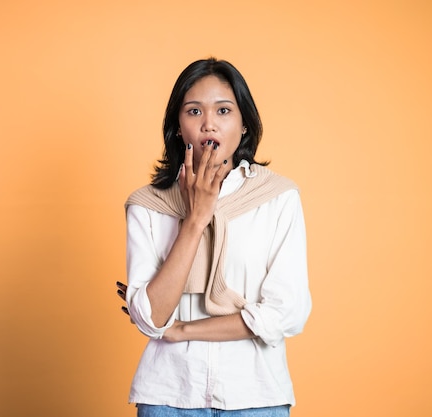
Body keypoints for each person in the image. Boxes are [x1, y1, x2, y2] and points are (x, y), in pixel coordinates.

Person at [116, 57, 311, 417]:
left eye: (223, 110)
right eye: (193, 111)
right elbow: (151, 319)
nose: (209, 124)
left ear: (244, 126)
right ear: (178, 127)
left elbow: (288, 312)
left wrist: (183, 330)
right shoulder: (148, 206)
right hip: (167, 395)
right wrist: (194, 220)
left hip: (256, 396)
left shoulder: (278, 199)